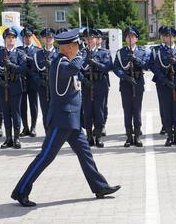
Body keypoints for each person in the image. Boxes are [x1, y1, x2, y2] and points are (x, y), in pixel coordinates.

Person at [11, 28, 120, 207]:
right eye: (77, 46)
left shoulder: (66, 61)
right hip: (62, 120)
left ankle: (99, 186)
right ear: (69, 48)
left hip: (72, 120)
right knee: (45, 157)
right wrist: (83, 54)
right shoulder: (60, 63)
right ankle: (21, 191)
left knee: (86, 154)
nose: (79, 48)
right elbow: (74, 67)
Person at [151, 26, 176, 146]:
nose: (168, 38)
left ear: (175, 37)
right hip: (164, 84)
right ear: (162, 37)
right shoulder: (156, 51)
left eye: (171, 36)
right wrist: (165, 81)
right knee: (167, 111)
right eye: (165, 36)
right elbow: (154, 67)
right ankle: (169, 136)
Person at [0, 27, 27, 149]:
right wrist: (0, 82)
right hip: (3, 88)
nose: (10, 39)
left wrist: (11, 65)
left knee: (16, 113)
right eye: (8, 37)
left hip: (16, 86)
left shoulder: (20, 54)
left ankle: (16, 138)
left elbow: (23, 69)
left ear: (15, 40)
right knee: (6, 113)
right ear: (5, 39)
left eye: (12, 37)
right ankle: (8, 138)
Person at [113, 26, 149, 147]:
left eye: (132, 36)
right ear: (125, 38)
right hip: (125, 84)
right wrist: (125, 77)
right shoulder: (120, 52)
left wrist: (136, 59)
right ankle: (129, 137)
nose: (130, 38)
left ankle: (137, 137)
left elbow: (146, 65)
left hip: (138, 84)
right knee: (127, 111)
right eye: (128, 36)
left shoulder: (142, 52)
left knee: (137, 111)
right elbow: (116, 68)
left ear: (136, 39)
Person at [79, 28, 112, 148]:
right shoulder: (81, 53)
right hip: (87, 84)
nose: (89, 40)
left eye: (91, 37)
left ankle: (98, 137)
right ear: (84, 40)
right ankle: (89, 137)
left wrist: (95, 63)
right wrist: (84, 81)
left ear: (95, 39)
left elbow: (108, 67)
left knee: (99, 111)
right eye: (87, 38)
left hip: (100, 84)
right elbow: (77, 70)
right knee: (87, 111)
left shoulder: (104, 52)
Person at [32, 28, 58, 134]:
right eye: (46, 37)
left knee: (57, 112)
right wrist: (40, 82)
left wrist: (52, 65)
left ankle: (56, 134)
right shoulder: (38, 55)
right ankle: (48, 133)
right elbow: (33, 72)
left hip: (56, 87)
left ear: (54, 39)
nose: (48, 39)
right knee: (46, 111)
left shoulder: (59, 53)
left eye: (50, 37)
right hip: (43, 87)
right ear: (42, 39)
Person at [18, 27, 40, 137]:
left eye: (29, 36)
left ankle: (33, 127)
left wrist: (28, 58)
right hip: (22, 80)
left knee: (33, 105)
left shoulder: (36, 50)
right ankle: (25, 127)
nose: (27, 38)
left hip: (33, 81)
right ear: (22, 38)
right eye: (25, 36)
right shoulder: (19, 49)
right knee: (22, 106)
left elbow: (38, 64)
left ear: (32, 37)